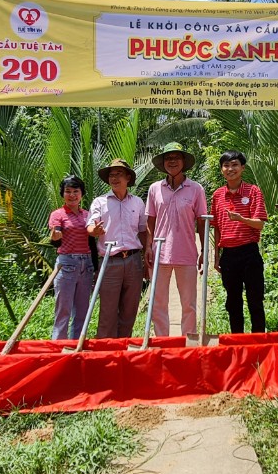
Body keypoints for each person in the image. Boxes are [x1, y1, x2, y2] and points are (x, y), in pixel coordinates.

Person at [144, 142, 207, 336]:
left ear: (183, 162)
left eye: (176, 158)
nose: (172, 161)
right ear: (163, 163)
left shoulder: (196, 189)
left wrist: (204, 251)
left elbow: (202, 222)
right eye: (168, 158)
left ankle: (188, 341)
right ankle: (162, 341)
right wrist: (148, 247)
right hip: (159, 253)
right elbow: (150, 220)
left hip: (186, 253)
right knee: (158, 303)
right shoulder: (155, 189)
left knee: (189, 303)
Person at [88, 158, 149, 338]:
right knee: (107, 311)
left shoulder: (137, 202)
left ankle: (123, 346)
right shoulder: (100, 202)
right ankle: (105, 349)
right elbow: (90, 226)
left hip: (133, 260)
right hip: (110, 261)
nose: (114, 178)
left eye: (119, 174)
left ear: (128, 178)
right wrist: (95, 231)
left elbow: (143, 231)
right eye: (111, 175)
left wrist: (147, 257)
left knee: (130, 310)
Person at [211, 151, 267, 333]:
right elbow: (216, 228)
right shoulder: (218, 195)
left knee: (255, 300)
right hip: (228, 255)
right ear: (221, 170)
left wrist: (241, 219)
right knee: (233, 302)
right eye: (226, 165)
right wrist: (216, 257)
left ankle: (258, 341)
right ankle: (237, 341)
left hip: (249, 253)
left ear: (242, 167)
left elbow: (259, 224)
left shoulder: (253, 191)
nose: (230, 169)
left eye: (234, 164)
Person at [47, 175, 94, 340]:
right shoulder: (58, 214)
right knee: (63, 310)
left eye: (76, 191)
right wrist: (55, 235)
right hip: (67, 264)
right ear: (62, 194)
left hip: (86, 265)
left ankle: (76, 345)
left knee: (82, 311)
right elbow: (55, 237)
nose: (72, 195)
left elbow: (93, 241)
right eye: (68, 191)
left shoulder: (88, 215)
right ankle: (58, 345)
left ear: (82, 194)